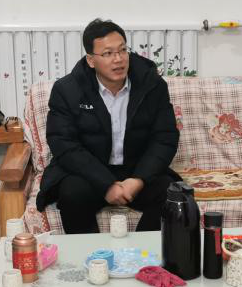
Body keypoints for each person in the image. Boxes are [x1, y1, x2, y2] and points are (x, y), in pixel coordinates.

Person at [38, 18, 180, 241]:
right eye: (108, 53)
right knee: (72, 193)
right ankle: (92, 257)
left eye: (122, 50)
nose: (118, 59)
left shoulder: (152, 85)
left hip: (136, 169)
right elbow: (63, 143)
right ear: (91, 60)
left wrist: (139, 179)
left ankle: (142, 254)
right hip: (89, 172)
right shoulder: (68, 89)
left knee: (171, 194)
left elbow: (165, 138)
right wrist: (106, 184)